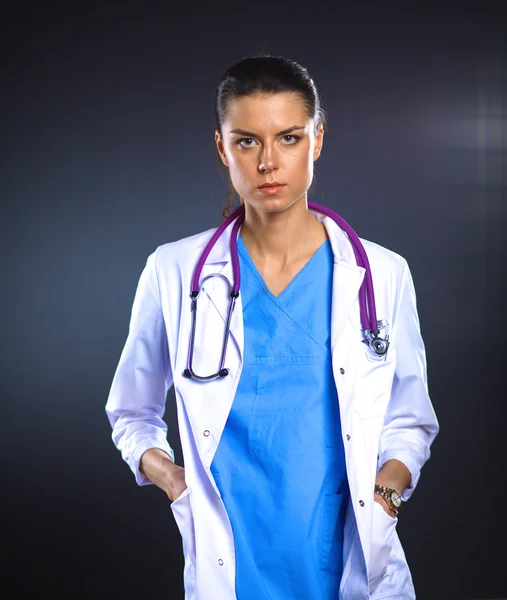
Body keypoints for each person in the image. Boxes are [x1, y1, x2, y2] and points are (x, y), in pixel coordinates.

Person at [105, 55, 439, 600]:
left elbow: (411, 421)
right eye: (246, 142)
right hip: (231, 564)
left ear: (318, 140)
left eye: (287, 138)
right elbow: (130, 412)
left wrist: (384, 499)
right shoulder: (174, 271)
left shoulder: (382, 274)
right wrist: (175, 482)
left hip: (346, 561)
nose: (267, 163)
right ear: (222, 148)